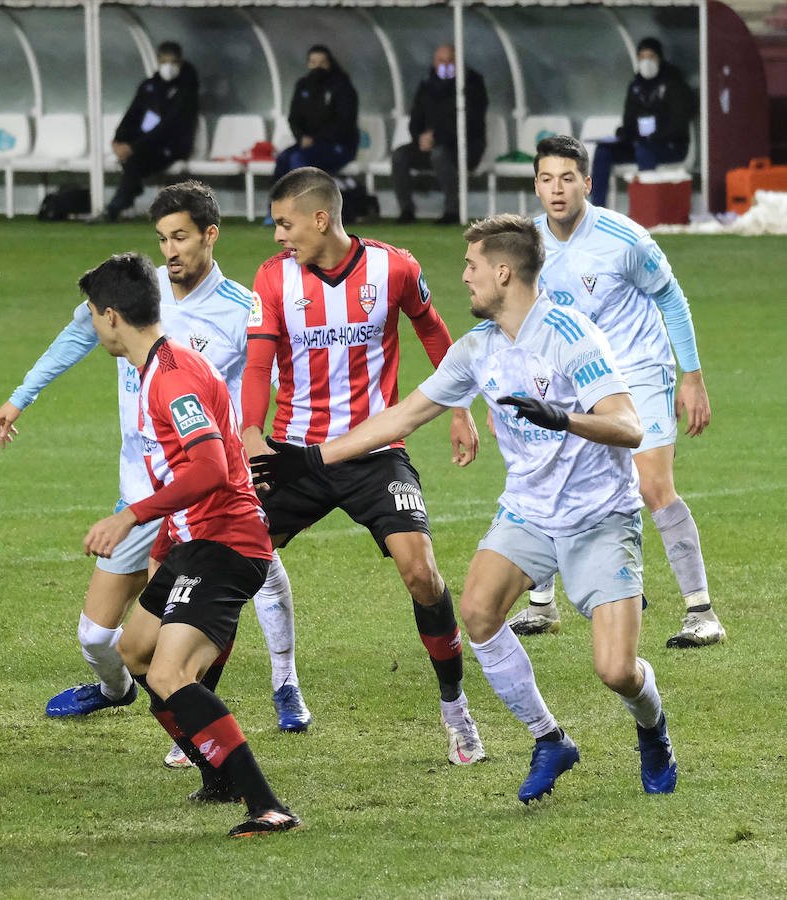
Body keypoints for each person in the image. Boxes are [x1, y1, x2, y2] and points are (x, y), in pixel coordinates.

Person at [253, 213, 679, 802]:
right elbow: (403, 417)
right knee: (476, 613)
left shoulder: (570, 335)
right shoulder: (477, 348)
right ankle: (549, 738)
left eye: (473, 267)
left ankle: (652, 729)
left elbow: (630, 427)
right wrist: (311, 461)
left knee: (616, 671)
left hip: (599, 516)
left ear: (504, 273)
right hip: (528, 513)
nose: (464, 278)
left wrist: (564, 418)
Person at [0, 181, 310, 742]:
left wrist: (260, 450)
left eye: (180, 237)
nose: (170, 250)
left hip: (205, 488)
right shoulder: (137, 296)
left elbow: (272, 386)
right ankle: (117, 690)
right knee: (96, 637)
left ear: (210, 235)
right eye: (162, 238)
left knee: (201, 614)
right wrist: (21, 396)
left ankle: (274, 689)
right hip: (138, 492)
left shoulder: (239, 310)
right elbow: (74, 335)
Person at [246, 167, 486, 766]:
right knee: (232, 560)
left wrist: (458, 409)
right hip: (292, 453)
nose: (278, 236)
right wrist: (251, 434)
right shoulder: (273, 278)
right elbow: (257, 365)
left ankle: (455, 710)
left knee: (422, 573)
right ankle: (201, 715)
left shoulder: (393, 267)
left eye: (285, 223)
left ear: (320, 219)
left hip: (374, 452)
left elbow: (434, 331)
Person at [79, 252, 302, 838]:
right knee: (136, 652)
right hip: (193, 542)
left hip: (226, 541)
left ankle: (266, 806)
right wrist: (165, 548)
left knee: (172, 673)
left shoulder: (171, 376)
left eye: (90, 314)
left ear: (110, 317)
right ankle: (219, 774)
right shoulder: (162, 365)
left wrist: (131, 517)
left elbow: (206, 470)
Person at [506, 135, 723, 646]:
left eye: (567, 178)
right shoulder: (527, 245)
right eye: (546, 179)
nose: (556, 189)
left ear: (587, 182)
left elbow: (671, 298)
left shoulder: (625, 239)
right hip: (572, 377)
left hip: (639, 370)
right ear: (535, 185)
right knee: (549, 481)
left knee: (652, 486)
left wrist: (691, 377)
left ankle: (701, 612)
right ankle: (542, 605)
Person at [98, 41, 199, 222]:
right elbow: (132, 114)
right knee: (132, 162)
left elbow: (168, 127)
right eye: (164, 61)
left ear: (180, 62)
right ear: (158, 61)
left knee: (134, 162)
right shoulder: (149, 86)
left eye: (173, 62)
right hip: (145, 146)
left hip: (171, 147)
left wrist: (133, 147)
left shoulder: (186, 90)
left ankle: (114, 208)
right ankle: (123, 200)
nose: (168, 67)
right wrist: (118, 140)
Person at [589, 37, 694, 208]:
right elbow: (629, 121)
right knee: (603, 151)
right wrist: (623, 134)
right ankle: (597, 209)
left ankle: (646, 208)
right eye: (642, 57)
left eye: (651, 56)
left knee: (644, 150)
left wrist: (655, 136)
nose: (646, 61)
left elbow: (679, 124)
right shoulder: (635, 87)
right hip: (641, 145)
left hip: (670, 146)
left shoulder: (673, 85)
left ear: (660, 59)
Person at [390, 44, 487, 225]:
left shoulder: (472, 84)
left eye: (450, 62)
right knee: (400, 155)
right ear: (435, 62)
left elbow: (471, 122)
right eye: (441, 61)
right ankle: (406, 210)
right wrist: (419, 137)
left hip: (464, 148)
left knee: (440, 155)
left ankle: (452, 211)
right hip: (431, 144)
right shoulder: (427, 84)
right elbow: (416, 117)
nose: (445, 65)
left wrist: (437, 137)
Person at [271, 45, 359, 185]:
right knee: (283, 158)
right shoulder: (303, 86)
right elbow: (294, 118)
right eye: (313, 62)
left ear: (330, 64)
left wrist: (315, 139)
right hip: (308, 144)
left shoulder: (343, 87)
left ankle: (304, 205)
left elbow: (344, 123)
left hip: (338, 146)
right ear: (308, 64)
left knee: (298, 159)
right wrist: (301, 137)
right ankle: (276, 206)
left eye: (322, 62)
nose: (317, 67)